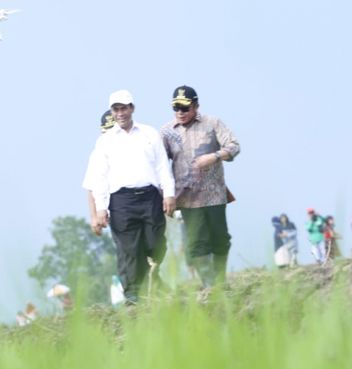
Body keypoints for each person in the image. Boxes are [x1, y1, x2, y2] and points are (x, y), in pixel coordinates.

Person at [83, 90, 176, 303]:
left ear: (132, 108)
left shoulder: (149, 134)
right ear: (112, 112)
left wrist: (169, 194)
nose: (120, 113)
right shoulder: (105, 141)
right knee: (129, 248)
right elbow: (99, 178)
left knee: (155, 243)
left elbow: (162, 166)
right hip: (121, 200)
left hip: (149, 196)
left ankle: (153, 279)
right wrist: (100, 209)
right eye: (116, 109)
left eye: (124, 108)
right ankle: (134, 294)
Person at [160, 85, 240, 289]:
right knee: (196, 243)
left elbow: (234, 146)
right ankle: (210, 286)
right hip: (187, 198)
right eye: (176, 108)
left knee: (220, 238)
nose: (180, 112)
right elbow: (159, 164)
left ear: (196, 106)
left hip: (214, 194)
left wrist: (213, 157)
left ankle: (220, 280)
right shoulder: (167, 132)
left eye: (185, 108)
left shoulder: (212, 123)